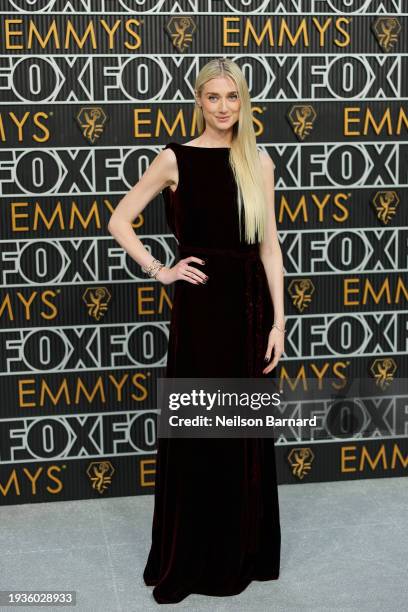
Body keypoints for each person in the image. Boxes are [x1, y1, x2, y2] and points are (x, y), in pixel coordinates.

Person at [108, 57, 285, 604]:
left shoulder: (259, 161)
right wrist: (162, 271)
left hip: (251, 311)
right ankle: (191, 557)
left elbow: (268, 246)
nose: (224, 107)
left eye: (233, 97)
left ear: (244, 101)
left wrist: (280, 319)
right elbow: (120, 220)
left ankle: (241, 552)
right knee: (200, 432)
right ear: (199, 101)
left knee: (242, 435)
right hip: (200, 312)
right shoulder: (174, 158)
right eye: (214, 97)